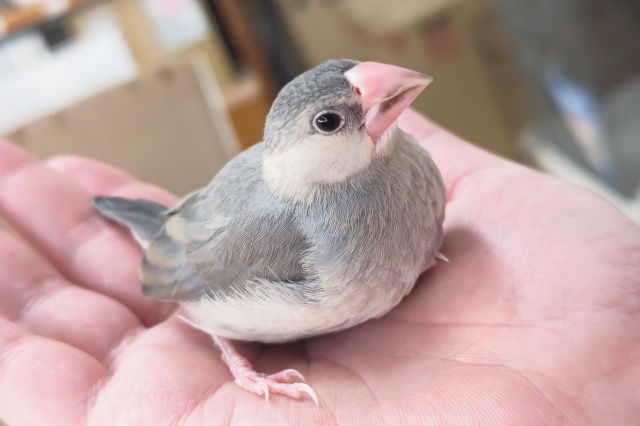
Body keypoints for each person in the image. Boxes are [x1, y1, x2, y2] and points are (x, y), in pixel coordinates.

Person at [0, 110, 638, 425]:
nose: (374, 110)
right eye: (336, 119)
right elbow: (188, 291)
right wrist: (239, 365)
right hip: (199, 258)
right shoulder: (294, 236)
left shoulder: (399, 163)